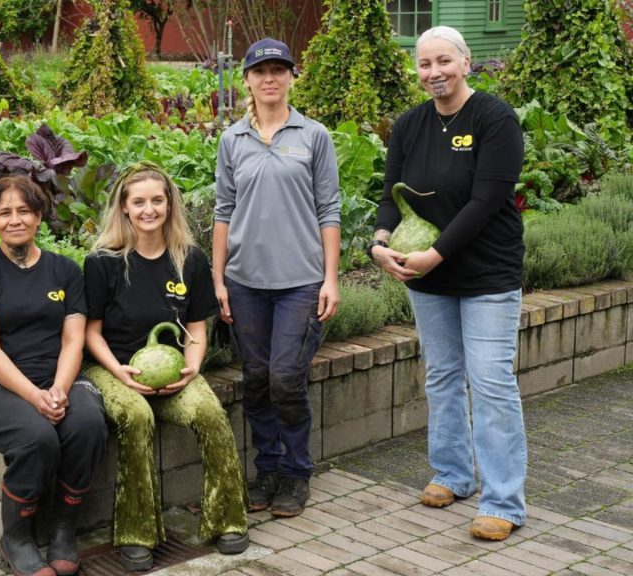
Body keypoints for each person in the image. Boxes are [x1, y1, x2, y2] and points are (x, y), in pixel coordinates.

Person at [368, 26, 526, 541]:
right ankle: (453, 475)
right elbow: (392, 193)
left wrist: (435, 254)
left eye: (443, 61)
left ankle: (503, 500)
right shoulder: (410, 125)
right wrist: (379, 240)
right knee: (441, 376)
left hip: (485, 274)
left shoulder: (494, 118)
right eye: (424, 64)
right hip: (427, 278)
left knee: (491, 383)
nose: (433, 72)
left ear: (465, 61)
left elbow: (486, 201)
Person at [84, 162, 249, 571]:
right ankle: (137, 534)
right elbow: (90, 333)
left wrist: (192, 368)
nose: (148, 210)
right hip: (113, 368)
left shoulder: (188, 259)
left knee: (210, 412)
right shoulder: (103, 261)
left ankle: (226, 520)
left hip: (173, 369)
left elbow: (196, 326)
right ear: (124, 207)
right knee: (137, 416)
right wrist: (119, 372)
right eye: (138, 202)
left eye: (157, 200)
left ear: (169, 204)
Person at [213, 38, 341, 518]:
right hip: (245, 281)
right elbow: (224, 210)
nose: (270, 78)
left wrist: (331, 278)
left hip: (300, 281)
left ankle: (296, 471)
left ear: (291, 77)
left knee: (286, 377)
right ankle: (266, 468)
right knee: (257, 378)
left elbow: (329, 209)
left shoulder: (313, 136)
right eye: (260, 70)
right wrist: (219, 279)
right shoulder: (233, 140)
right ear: (246, 79)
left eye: (279, 70)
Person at [0, 176, 107, 576]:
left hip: (58, 379)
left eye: (24, 210)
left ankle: (62, 529)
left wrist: (58, 389)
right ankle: (17, 537)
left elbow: (74, 341)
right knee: (37, 436)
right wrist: (35, 397)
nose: (15, 219)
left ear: (39, 216)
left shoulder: (64, 270)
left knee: (89, 422)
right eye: (4, 212)